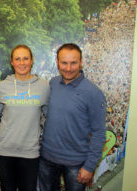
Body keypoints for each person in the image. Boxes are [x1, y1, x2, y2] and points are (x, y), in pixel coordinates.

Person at [39, 43, 106, 191]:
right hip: (47, 159)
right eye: (64, 63)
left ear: (81, 62)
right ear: (57, 62)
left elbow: (99, 133)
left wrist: (89, 166)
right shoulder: (53, 83)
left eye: (73, 63)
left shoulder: (93, 93)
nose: (68, 68)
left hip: (76, 164)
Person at [0, 44, 50, 191]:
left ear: (32, 61)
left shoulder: (43, 87)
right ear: (12, 62)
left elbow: (50, 113)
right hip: (4, 150)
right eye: (18, 59)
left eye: (25, 58)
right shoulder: (3, 86)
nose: (22, 63)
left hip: (30, 151)